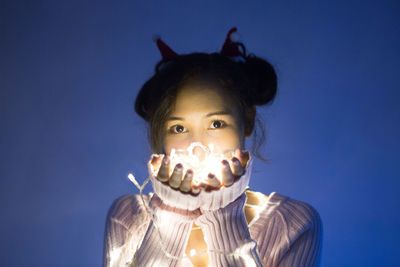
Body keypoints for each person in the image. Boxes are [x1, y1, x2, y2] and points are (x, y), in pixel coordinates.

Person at [102, 27, 323, 267]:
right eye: (178, 128)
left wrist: (225, 213)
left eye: (216, 123)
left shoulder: (294, 224)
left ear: (247, 121)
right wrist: (172, 214)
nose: (198, 147)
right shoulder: (128, 215)